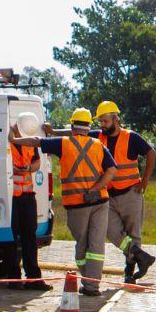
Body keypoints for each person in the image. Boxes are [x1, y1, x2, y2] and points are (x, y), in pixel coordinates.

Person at [12, 107, 116, 295]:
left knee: (82, 243)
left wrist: (14, 140)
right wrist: (96, 188)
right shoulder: (99, 145)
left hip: (77, 204)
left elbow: (35, 141)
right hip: (100, 201)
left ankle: (88, 281)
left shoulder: (63, 143)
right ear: (88, 126)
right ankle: (92, 286)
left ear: (72, 126)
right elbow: (112, 170)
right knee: (96, 245)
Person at [92, 100, 156, 283]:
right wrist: (53, 133)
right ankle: (142, 257)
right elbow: (76, 134)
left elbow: (151, 153)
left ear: (115, 119)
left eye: (105, 121)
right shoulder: (98, 137)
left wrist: (145, 181)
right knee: (110, 230)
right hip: (109, 196)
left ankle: (129, 272)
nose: (102, 125)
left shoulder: (131, 137)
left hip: (131, 194)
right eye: (100, 121)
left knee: (133, 234)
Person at [6, 111, 50, 290]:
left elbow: (37, 163)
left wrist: (28, 168)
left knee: (30, 238)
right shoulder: (6, 140)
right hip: (10, 197)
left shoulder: (29, 140)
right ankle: (13, 278)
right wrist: (14, 169)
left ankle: (34, 278)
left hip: (27, 195)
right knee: (10, 238)